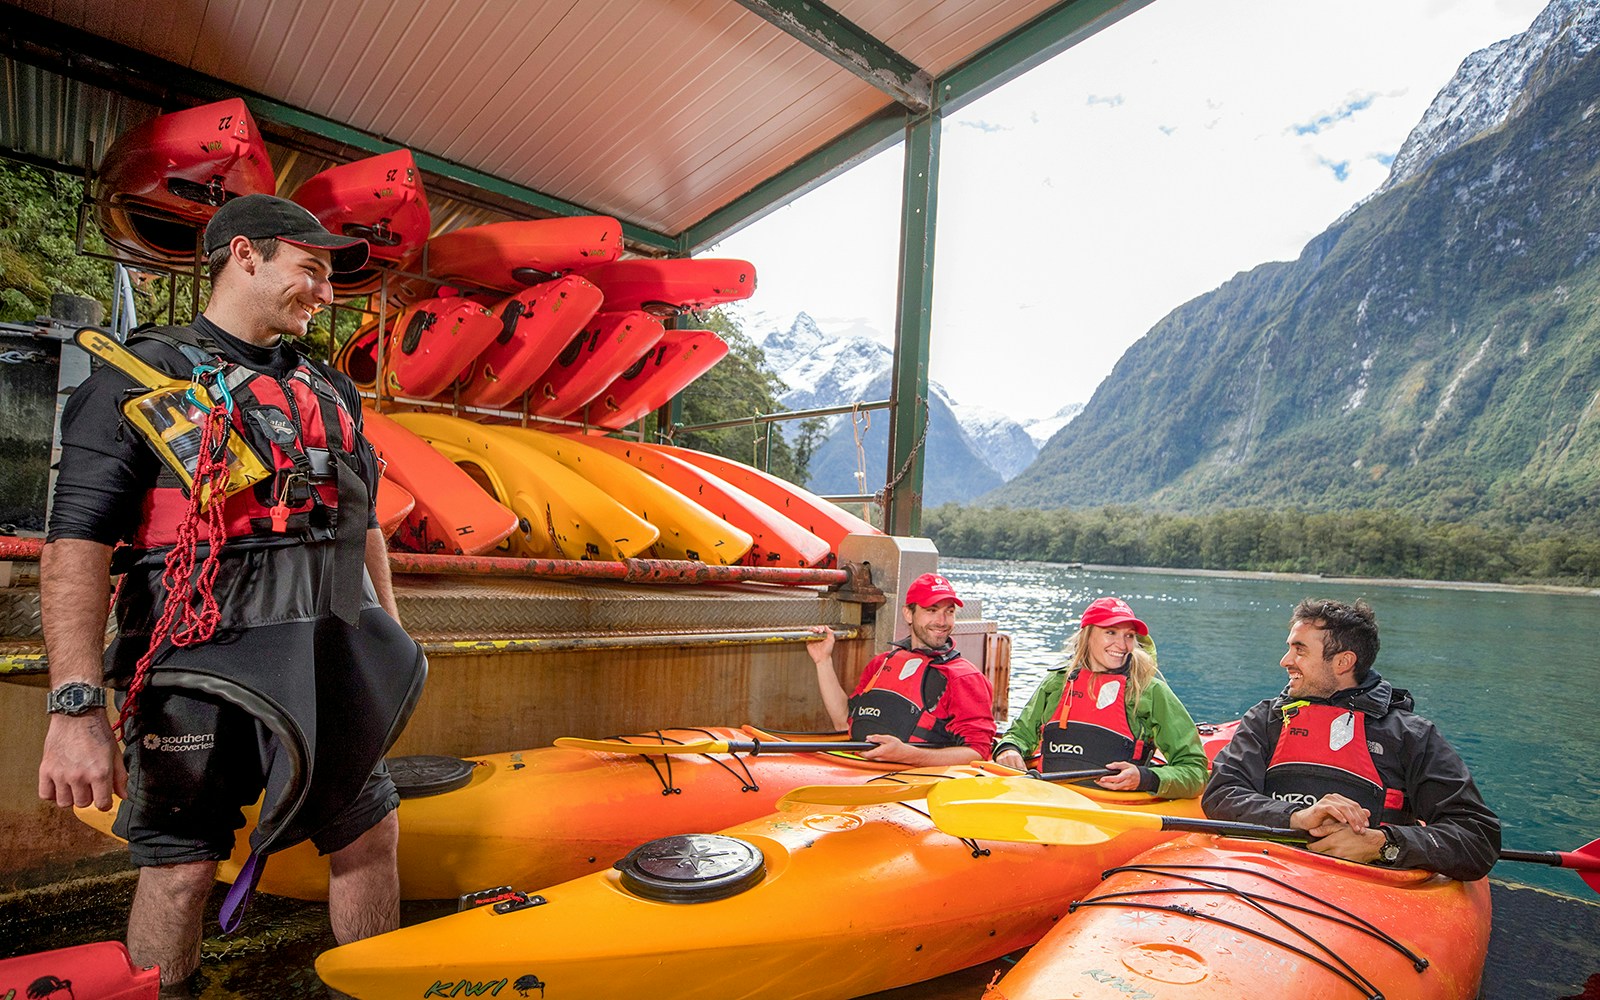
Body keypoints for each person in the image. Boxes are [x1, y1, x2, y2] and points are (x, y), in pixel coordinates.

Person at [37, 194, 427, 987]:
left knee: (368, 838)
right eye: (310, 270)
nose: (325, 293)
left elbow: (366, 526)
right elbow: (74, 544)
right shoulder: (136, 379)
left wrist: (391, 641)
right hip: (196, 668)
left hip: (327, 664)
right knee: (181, 869)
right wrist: (74, 709)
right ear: (244, 255)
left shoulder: (329, 391)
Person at [1203, 598, 1500, 881]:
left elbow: (1477, 837)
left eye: (1300, 650)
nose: (1285, 661)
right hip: (1267, 873)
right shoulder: (1266, 719)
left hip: (1367, 890)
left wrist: (1382, 844)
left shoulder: (1411, 736)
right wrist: (1297, 817)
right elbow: (1222, 795)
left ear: (1344, 662)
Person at [992, 597, 1208, 798]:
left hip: (1113, 811)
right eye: (1111, 632)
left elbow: (1195, 771)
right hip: (1053, 801)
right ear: (1087, 635)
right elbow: (1019, 734)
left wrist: (1145, 778)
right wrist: (1009, 749)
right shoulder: (1057, 682)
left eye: (1129, 635)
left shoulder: (1151, 692)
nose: (1122, 645)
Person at [808, 572, 995, 765]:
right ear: (908, 614)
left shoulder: (963, 677)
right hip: (863, 772)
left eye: (949, 611)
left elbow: (979, 752)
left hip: (914, 783)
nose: (942, 621)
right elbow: (842, 722)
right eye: (931, 610)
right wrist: (823, 660)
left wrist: (910, 756)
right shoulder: (881, 664)